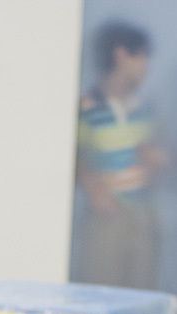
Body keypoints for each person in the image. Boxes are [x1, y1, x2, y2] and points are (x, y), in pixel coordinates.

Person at [70, 20, 167, 290]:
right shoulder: (87, 107)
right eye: (142, 56)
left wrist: (155, 163)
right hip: (107, 217)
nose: (146, 66)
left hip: (144, 214)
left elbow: (161, 156)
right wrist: (94, 190)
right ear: (121, 55)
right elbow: (71, 157)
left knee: (141, 293)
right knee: (102, 293)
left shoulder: (145, 108)